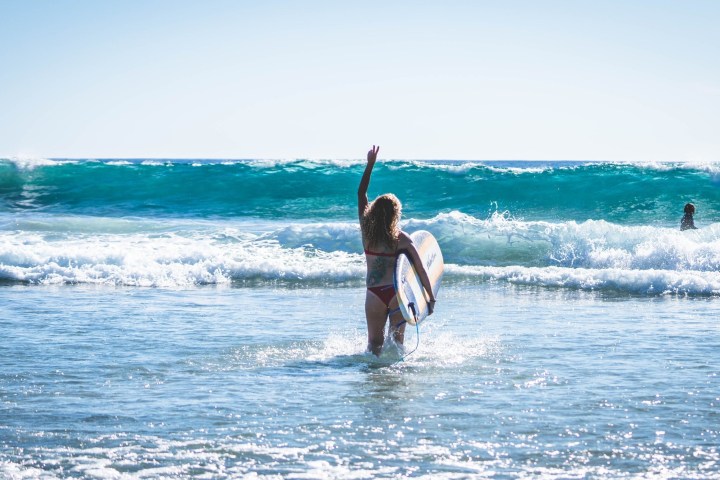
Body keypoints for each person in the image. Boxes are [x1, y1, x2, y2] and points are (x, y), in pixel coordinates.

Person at [357, 145, 436, 356]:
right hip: (396, 294)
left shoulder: (367, 232)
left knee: (374, 345)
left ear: (373, 211)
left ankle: (372, 377)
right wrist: (430, 297)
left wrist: (370, 165)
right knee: (397, 344)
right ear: (396, 214)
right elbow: (421, 270)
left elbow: (361, 193)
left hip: (374, 293)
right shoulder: (401, 238)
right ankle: (393, 378)